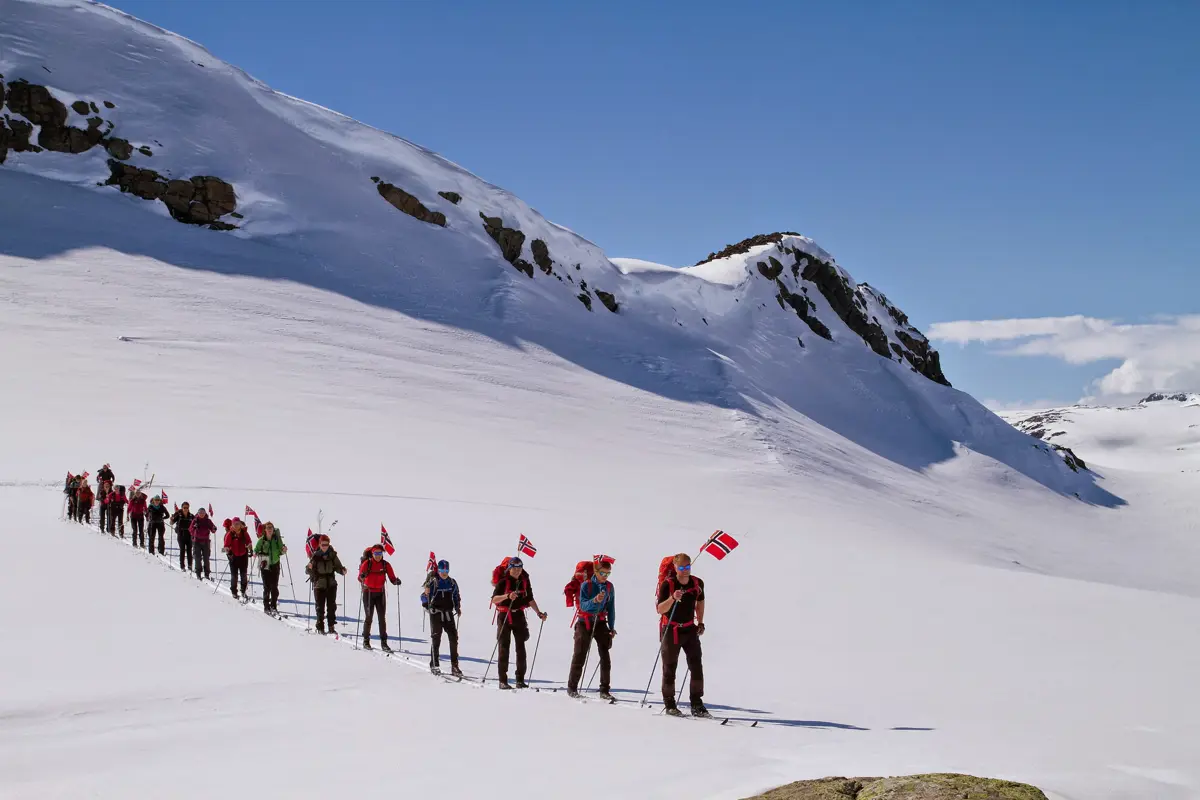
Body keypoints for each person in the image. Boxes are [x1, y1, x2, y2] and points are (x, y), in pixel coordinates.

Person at [656, 553, 708, 718]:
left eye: (688, 567)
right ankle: (670, 703)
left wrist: (700, 622)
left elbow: (700, 602)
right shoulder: (668, 585)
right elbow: (660, 609)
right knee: (669, 668)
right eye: (682, 567)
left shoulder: (697, 583)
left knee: (696, 666)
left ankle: (697, 703)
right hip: (671, 630)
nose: (685, 570)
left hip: (689, 629)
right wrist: (673, 598)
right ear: (675, 567)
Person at [490, 557, 547, 689]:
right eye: (514, 568)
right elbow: (494, 599)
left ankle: (520, 680)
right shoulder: (503, 582)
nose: (517, 571)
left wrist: (539, 613)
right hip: (504, 615)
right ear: (509, 568)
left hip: (519, 616)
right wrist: (507, 596)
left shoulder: (524, 581)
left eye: (519, 568)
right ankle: (502, 681)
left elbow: (530, 599)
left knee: (521, 648)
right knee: (504, 648)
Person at [567, 558, 616, 700]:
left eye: (608, 574)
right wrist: (595, 600)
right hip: (584, 622)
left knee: (605, 656)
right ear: (595, 572)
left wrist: (612, 627)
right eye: (603, 573)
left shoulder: (609, 587)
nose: (605, 576)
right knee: (580, 654)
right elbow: (583, 606)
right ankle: (572, 687)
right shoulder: (585, 585)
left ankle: (605, 690)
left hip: (601, 622)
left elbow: (611, 608)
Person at [422, 559, 462, 676]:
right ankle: (434, 664)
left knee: (453, 638)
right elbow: (423, 597)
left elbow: (456, 595)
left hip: (448, 613)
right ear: (438, 570)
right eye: (442, 570)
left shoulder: (452, 582)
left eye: (446, 570)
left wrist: (458, 607)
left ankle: (454, 666)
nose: (444, 573)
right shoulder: (434, 582)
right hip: (436, 613)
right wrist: (426, 600)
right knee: (436, 638)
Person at [358, 544, 400, 651]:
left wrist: (395, 581)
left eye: (380, 553)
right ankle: (366, 641)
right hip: (368, 593)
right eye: (376, 553)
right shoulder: (367, 564)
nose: (378, 556)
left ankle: (384, 643)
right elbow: (359, 577)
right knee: (369, 618)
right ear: (372, 553)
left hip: (380, 593)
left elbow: (392, 577)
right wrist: (362, 577)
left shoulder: (386, 565)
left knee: (382, 618)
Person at [306, 535, 346, 635]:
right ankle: (320, 627)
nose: (324, 546)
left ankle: (331, 626)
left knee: (331, 606)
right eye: (323, 544)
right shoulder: (315, 556)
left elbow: (338, 567)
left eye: (326, 544)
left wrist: (342, 570)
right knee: (320, 607)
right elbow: (307, 570)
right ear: (319, 544)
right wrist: (309, 568)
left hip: (331, 584)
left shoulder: (332, 555)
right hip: (319, 585)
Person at [253, 521, 287, 614]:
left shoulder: (276, 539)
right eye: (268, 528)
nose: (270, 529)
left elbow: (281, 550)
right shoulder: (261, 540)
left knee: (274, 587)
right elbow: (255, 549)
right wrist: (255, 553)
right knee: (267, 586)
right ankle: (266, 607)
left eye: (271, 527)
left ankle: (273, 606)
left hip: (275, 563)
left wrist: (284, 550)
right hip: (264, 563)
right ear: (265, 529)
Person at [223, 518, 253, 599]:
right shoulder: (230, 534)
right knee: (234, 576)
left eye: (238, 523)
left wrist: (250, 548)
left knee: (244, 575)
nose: (236, 525)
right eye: (235, 524)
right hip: (233, 557)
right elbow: (226, 545)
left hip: (243, 556)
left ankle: (243, 591)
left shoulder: (244, 533)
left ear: (240, 524)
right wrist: (228, 552)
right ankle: (234, 591)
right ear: (232, 525)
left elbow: (249, 542)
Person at [189, 507, 216, 580]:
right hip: (197, 541)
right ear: (198, 513)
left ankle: (207, 573)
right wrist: (194, 528)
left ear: (205, 513)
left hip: (206, 541)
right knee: (197, 558)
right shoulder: (195, 520)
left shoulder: (208, 521)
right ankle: (198, 573)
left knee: (206, 558)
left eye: (203, 513)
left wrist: (214, 528)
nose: (201, 514)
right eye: (200, 513)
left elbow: (212, 529)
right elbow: (190, 530)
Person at [171, 502, 194, 572]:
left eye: (187, 508)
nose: (185, 509)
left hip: (189, 535)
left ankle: (190, 565)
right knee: (182, 550)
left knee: (189, 551)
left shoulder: (191, 516)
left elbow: (196, 522)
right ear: (182, 508)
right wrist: (171, 519)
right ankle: (182, 566)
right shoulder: (178, 515)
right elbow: (172, 523)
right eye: (184, 508)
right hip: (181, 534)